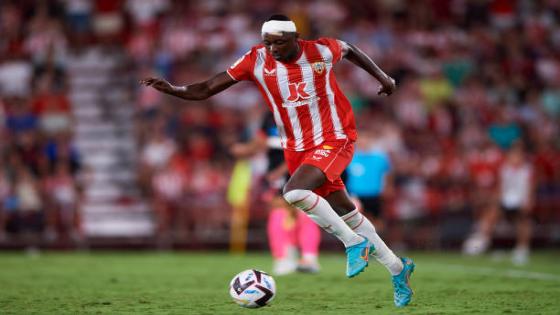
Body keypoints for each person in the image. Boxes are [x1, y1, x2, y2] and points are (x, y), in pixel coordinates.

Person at [141, 14, 415, 307]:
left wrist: (384, 78)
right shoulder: (256, 60)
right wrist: (175, 89)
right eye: (267, 42)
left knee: (295, 192)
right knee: (347, 212)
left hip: (335, 137)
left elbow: (349, 49)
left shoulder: (321, 51)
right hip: (295, 147)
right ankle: (398, 269)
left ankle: (352, 243)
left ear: (295, 39)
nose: (272, 48)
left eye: (279, 43)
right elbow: (208, 87)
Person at [231, 112, 321, 275]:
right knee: (279, 215)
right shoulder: (269, 116)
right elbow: (260, 141)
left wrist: (281, 170)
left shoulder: (302, 115)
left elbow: (305, 150)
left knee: (304, 214)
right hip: (277, 179)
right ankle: (285, 257)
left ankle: (308, 258)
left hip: (300, 173)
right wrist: (244, 149)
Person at [463, 142, 534, 265]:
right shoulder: (505, 169)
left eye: (517, 155)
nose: (514, 158)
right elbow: (501, 187)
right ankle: (481, 243)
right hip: (506, 199)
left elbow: (530, 187)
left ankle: (522, 249)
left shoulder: (527, 170)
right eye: (512, 155)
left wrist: (528, 200)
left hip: (520, 200)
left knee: (523, 221)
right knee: (490, 215)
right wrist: (496, 199)